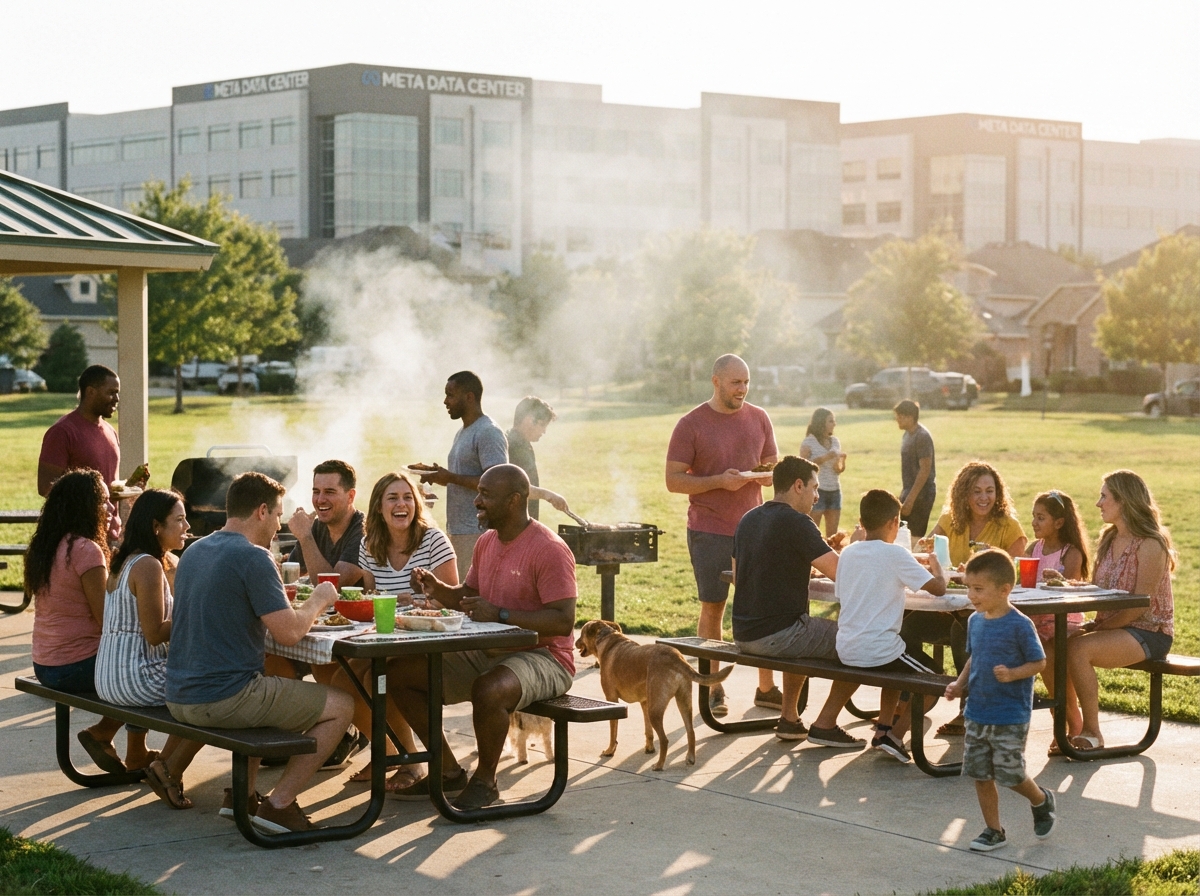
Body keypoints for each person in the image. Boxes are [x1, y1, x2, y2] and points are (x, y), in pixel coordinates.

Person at [165, 472, 354, 834]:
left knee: (270, 681)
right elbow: (290, 633)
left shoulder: (194, 551)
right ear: (262, 511)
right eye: (279, 515)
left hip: (179, 695)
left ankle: (241, 795)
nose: (280, 523)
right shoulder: (254, 557)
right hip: (223, 698)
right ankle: (279, 806)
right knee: (342, 705)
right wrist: (320, 597)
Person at [389, 465, 577, 811]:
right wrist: (438, 589)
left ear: (515, 500)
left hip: (545, 657)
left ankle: (486, 782)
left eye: (486, 494)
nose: (476, 500)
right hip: (492, 649)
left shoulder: (550, 548)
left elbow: (564, 622)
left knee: (488, 688)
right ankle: (447, 771)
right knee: (401, 675)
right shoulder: (487, 542)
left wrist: (501, 614)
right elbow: (470, 595)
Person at [666, 354, 780, 717]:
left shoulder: (759, 418)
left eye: (746, 382)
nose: (742, 389)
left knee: (762, 607)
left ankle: (766, 688)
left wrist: (766, 477)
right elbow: (673, 480)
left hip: (755, 529)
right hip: (709, 528)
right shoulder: (691, 424)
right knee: (713, 607)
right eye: (735, 383)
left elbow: (772, 465)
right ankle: (714, 690)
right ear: (716, 381)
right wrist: (719, 481)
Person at [26, 469, 151, 772]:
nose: (111, 508)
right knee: (147, 665)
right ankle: (115, 740)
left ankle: (117, 740)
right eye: (104, 502)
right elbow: (108, 620)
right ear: (85, 506)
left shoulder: (48, 545)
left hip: (45, 664)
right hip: (75, 666)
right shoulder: (85, 550)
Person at [731, 456, 861, 747]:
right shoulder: (798, 522)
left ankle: (790, 719)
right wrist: (860, 546)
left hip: (744, 633)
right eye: (815, 488)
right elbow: (843, 574)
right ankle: (825, 724)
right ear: (798, 485)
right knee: (862, 642)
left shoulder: (749, 518)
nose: (817, 496)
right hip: (780, 634)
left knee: (801, 622)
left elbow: (741, 577)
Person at [347, 471, 458, 789]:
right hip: (389, 638)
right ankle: (390, 751)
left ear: (417, 503)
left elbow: (453, 600)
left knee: (372, 677)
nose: (401, 504)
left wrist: (421, 599)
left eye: (408, 497)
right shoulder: (370, 545)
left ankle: (410, 762)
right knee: (343, 681)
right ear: (379, 507)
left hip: (430, 637)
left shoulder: (433, 540)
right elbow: (372, 601)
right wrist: (397, 600)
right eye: (392, 498)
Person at [95, 489, 205, 809]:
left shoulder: (125, 559)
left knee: (202, 689)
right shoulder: (148, 565)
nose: (187, 526)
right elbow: (155, 634)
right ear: (157, 526)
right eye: (180, 520)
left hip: (109, 676)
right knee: (211, 695)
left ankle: (163, 766)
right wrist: (196, 614)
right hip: (134, 677)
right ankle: (166, 770)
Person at [945, 549, 1056, 852]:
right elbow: (974, 659)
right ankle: (994, 830)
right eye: (968, 587)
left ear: (1005, 589)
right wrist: (959, 683)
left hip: (1009, 712)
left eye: (978, 589)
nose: (971, 595)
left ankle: (1041, 800)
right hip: (977, 711)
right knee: (980, 774)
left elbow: (1039, 663)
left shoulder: (1020, 625)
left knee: (1011, 774)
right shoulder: (975, 622)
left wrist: (1013, 673)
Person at [909, 460, 1027, 737]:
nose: (984, 498)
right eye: (976, 491)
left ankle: (969, 710)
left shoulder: (1008, 527)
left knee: (965, 628)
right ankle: (916, 693)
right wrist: (928, 549)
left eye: (990, 491)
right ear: (964, 494)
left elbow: (1015, 574)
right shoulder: (950, 521)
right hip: (946, 606)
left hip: (987, 613)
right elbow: (924, 552)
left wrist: (991, 560)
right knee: (906, 626)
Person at [1064, 470, 1174, 753]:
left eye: (1104, 497)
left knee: (1078, 649)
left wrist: (1097, 628)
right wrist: (1069, 586)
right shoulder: (1110, 538)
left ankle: (1092, 733)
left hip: (1149, 631)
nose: (1098, 504)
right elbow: (1100, 589)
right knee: (1057, 643)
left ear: (1123, 501)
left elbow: (1140, 604)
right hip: (1114, 627)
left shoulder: (1151, 544)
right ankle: (1067, 726)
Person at [834, 489, 947, 763]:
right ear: (894, 523)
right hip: (878, 651)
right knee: (936, 679)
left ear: (861, 522)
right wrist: (936, 565)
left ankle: (884, 728)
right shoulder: (895, 553)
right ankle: (896, 736)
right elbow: (939, 589)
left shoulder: (848, 553)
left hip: (846, 648)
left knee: (899, 649)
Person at [417, 371, 508, 580]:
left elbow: (497, 483)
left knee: (472, 594)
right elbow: (463, 475)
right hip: (459, 529)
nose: (445, 401)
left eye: (450, 395)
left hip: (478, 530)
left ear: (469, 397)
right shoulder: (463, 431)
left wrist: (450, 478)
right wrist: (439, 476)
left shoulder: (488, 432)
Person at [1026, 489, 1089, 747]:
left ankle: (1069, 722)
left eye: (1041, 517)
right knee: (1044, 656)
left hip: (1066, 621)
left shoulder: (1070, 553)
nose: (1034, 522)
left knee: (1055, 657)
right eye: (1034, 516)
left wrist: (1059, 579)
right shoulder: (1033, 549)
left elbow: (1070, 589)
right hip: (1039, 622)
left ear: (1059, 522)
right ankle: (1067, 720)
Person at [287, 459, 365, 586]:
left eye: (329, 492)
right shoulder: (316, 527)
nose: (320, 500)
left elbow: (334, 587)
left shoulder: (364, 531)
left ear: (350, 496)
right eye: (316, 492)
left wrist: (305, 537)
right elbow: (291, 574)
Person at [506, 396, 570, 521]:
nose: (544, 431)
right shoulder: (513, 446)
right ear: (529, 420)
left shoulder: (523, 444)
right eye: (542, 425)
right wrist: (548, 495)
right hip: (514, 525)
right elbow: (517, 487)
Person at [799, 407, 847, 538]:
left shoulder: (835, 441)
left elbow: (837, 470)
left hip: (835, 491)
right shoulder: (809, 442)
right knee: (813, 535)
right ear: (821, 423)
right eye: (831, 421)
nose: (834, 424)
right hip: (817, 492)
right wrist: (827, 456)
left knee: (833, 536)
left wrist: (842, 461)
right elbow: (803, 468)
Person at [894, 400, 935, 538]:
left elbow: (924, 470)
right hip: (909, 491)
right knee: (901, 534)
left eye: (900, 416)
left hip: (921, 494)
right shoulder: (907, 435)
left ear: (910, 417)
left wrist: (910, 500)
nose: (897, 419)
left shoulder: (922, 437)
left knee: (913, 537)